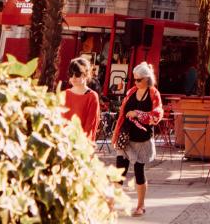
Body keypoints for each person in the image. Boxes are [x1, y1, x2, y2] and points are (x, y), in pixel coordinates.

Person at [113, 62, 163, 218]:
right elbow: (122, 114)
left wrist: (138, 114)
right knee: (119, 171)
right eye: (134, 79)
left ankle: (141, 205)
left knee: (139, 171)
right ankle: (111, 204)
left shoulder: (154, 93)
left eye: (139, 80)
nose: (136, 82)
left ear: (147, 79)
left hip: (142, 140)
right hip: (126, 137)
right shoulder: (131, 92)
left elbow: (157, 116)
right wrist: (116, 134)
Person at [63, 56, 101, 141]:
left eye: (77, 74)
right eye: (70, 74)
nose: (73, 78)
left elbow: (90, 126)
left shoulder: (92, 96)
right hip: (63, 144)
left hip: (80, 145)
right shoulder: (65, 94)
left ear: (86, 75)